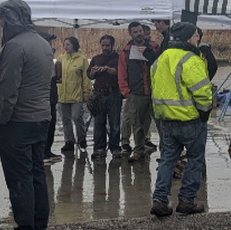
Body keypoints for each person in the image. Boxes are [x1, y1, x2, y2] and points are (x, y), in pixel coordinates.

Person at [0, 0, 54, 230]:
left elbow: (8, 89)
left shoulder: (14, 46)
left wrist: (2, 119)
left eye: (0, 18)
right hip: (40, 119)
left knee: (19, 178)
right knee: (37, 173)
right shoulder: (42, 42)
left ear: (11, 18)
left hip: (18, 121)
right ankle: (39, 228)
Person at [149, 22, 214, 217]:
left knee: (167, 159)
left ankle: (160, 199)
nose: (198, 40)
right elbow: (203, 92)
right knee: (194, 160)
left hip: (166, 120)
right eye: (195, 36)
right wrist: (204, 113)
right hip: (190, 120)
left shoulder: (160, 59)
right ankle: (186, 200)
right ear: (187, 38)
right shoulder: (191, 60)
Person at [118, 21, 159, 161]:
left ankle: (166, 151)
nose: (139, 33)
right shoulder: (126, 51)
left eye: (140, 30)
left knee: (156, 122)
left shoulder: (154, 47)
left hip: (154, 91)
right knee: (137, 124)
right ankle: (138, 150)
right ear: (130, 34)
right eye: (135, 32)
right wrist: (126, 92)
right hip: (136, 92)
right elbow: (122, 72)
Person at [88, 34, 122, 159]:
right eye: (103, 45)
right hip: (99, 94)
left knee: (114, 123)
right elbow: (90, 75)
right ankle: (99, 149)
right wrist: (94, 71)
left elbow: (119, 73)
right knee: (99, 123)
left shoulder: (118, 58)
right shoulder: (95, 58)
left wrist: (107, 69)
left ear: (112, 45)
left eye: (107, 45)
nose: (105, 48)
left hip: (114, 93)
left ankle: (115, 148)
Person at [56, 36, 92, 152]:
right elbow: (57, 76)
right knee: (65, 120)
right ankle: (69, 141)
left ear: (74, 46)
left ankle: (81, 139)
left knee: (77, 117)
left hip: (76, 95)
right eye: (64, 45)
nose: (65, 47)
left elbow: (86, 78)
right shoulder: (60, 59)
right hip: (63, 95)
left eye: (68, 45)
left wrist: (86, 92)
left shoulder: (82, 60)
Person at [40, 32, 61, 164]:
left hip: (52, 96)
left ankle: (48, 150)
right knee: (44, 124)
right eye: (49, 42)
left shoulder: (50, 56)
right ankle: (41, 153)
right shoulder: (39, 56)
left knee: (52, 123)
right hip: (43, 96)